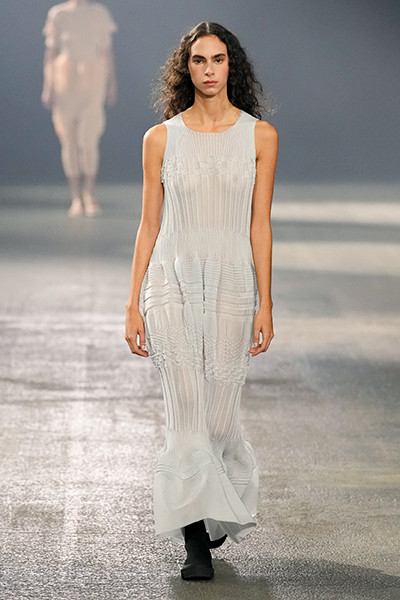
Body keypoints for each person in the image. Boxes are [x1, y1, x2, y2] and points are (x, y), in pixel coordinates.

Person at [125, 22, 278, 581]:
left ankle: (213, 496)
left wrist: (266, 303)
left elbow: (260, 225)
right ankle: (195, 542)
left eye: (218, 59)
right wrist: (132, 302)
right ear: (184, 68)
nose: (209, 70)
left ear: (231, 66)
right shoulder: (160, 138)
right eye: (198, 60)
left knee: (218, 415)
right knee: (187, 406)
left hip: (233, 281)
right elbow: (148, 224)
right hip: (171, 278)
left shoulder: (261, 136)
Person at [41, 0, 117, 217]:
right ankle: (76, 197)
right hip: (64, 81)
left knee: (89, 138)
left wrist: (112, 83)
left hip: (93, 79)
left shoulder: (98, 13)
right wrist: (48, 86)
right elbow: (51, 52)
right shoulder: (58, 14)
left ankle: (89, 194)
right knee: (69, 140)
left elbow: (106, 51)